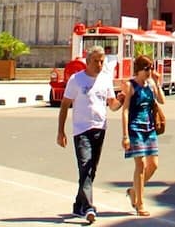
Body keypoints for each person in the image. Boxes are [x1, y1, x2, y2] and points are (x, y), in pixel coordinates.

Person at [57, 47, 125, 223]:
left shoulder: (105, 79)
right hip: (81, 130)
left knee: (91, 170)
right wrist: (61, 131)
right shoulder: (76, 79)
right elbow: (65, 105)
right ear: (88, 61)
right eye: (96, 61)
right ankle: (89, 207)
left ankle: (78, 205)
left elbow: (112, 105)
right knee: (86, 166)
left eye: (102, 61)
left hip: (100, 128)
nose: (100, 64)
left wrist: (121, 100)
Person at [120, 56, 166, 217]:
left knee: (153, 164)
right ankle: (140, 203)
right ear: (138, 70)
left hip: (149, 128)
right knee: (140, 165)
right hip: (135, 129)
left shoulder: (151, 84)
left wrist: (157, 82)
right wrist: (125, 135)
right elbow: (125, 110)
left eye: (151, 68)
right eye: (146, 69)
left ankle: (134, 190)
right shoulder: (130, 86)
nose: (149, 72)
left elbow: (162, 100)